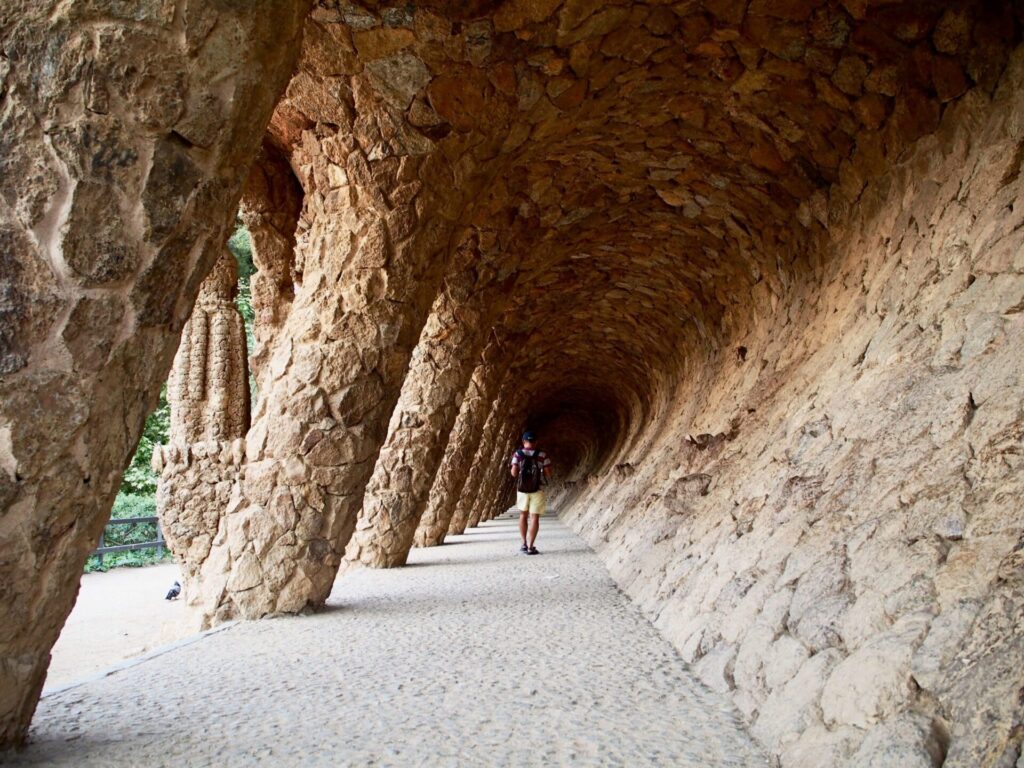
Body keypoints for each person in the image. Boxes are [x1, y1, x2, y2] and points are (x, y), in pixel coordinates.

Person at [510, 431, 551, 555]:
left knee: (523, 515)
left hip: (522, 490)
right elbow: (548, 473)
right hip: (537, 489)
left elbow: (513, 473)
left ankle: (523, 543)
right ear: (536, 442)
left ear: (523, 442)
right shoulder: (542, 455)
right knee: (534, 517)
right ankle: (531, 546)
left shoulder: (518, 454)